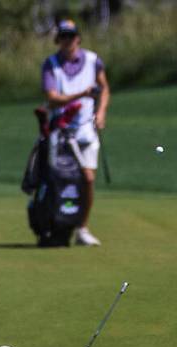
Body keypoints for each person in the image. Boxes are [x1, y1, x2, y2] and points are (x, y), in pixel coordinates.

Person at [42, 18, 110, 246]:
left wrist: (101, 113)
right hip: (60, 133)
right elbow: (52, 99)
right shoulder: (51, 64)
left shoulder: (92, 60)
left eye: (71, 36)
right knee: (60, 181)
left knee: (88, 180)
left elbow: (105, 88)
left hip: (86, 131)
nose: (67, 40)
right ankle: (56, 225)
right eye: (63, 37)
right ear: (58, 40)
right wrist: (81, 94)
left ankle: (81, 228)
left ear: (78, 38)